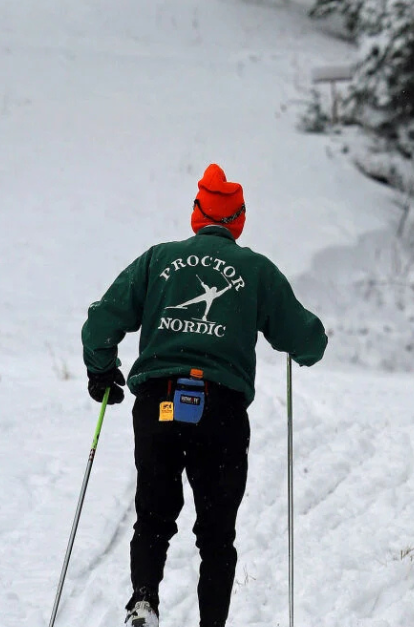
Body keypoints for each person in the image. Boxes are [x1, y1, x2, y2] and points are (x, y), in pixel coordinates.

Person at [81, 163, 328, 627]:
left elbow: (101, 322)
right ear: (238, 220)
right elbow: (308, 341)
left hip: (158, 403)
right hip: (222, 412)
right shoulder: (256, 270)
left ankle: (143, 602)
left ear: (197, 214)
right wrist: (303, 341)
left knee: (153, 516)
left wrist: (102, 370)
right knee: (216, 535)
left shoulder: (157, 259)